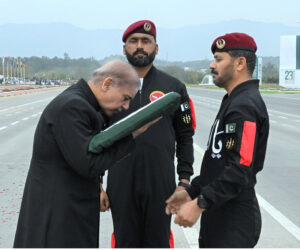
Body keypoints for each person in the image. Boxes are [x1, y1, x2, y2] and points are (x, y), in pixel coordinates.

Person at [13, 60, 158, 248]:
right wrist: (131, 135)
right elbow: (88, 163)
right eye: (125, 98)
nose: (126, 106)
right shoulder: (72, 107)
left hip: (66, 216)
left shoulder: (83, 104)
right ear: (107, 84)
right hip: (57, 220)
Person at [166, 32, 270, 248]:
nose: (212, 65)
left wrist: (200, 203)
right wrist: (190, 192)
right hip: (219, 214)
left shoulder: (245, 106)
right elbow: (218, 165)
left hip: (234, 221)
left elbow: (240, 169)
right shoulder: (233, 100)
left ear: (240, 63)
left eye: (219, 59)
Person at [101, 20, 195, 248]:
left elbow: (185, 136)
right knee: (125, 241)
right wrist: (97, 183)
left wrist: (183, 182)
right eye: (133, 41)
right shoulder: (109, 85)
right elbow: (97, 137)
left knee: (159, 241)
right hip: (121, 180)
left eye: (146, 41)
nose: (140, 46)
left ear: (156, 47)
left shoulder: (174, 87)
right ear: (124, 49)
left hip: (160, 181)